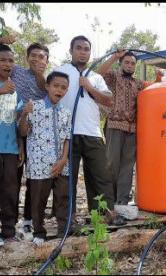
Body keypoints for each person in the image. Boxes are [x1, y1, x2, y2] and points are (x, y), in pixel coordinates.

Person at [54, 35, 124, 226]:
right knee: (68, 177)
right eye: (79, 48)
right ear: (71, 50)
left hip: (92, 132)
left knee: (101, 175)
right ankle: (69, 217)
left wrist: (90, 87)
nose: (83, 52)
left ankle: (104, 213)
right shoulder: (61, 71)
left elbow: (108, 100)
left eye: (86, 49)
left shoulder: (95, 77)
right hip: (67, 133)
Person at [0, 34, 50, 233]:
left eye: (41, 57)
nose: (37, 59)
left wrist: (40, 73)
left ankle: (20, 224)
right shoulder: (8, 75)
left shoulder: (46, 81)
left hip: (28, 137)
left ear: (46, 61)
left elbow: (44, 91)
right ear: (27, 57)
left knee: (23, 182)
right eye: (33, 55)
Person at [97, 50, 161, 210]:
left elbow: (154, 88)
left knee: (127, 167)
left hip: (133, 130)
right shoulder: (113, 77)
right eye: (127, 62)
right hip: (115, 127)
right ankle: (109, 203)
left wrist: (158, 79)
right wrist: (113, 57)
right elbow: (98, 74)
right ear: (121, 64)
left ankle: (122, 203)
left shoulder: (138, 83)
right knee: (112, 164)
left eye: (133, 63)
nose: (130, 65)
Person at [18, 71, 71, 246]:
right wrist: (25, 114)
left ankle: (64, 230)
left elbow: (67, 138)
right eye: (56, 86)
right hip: (39, 163)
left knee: (63, 197)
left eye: (64, 87)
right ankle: (39, 232)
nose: (60, 90)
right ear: (47, 86)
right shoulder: (35, 106)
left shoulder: (65, 112)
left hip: (61, 163)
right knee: (38, 199)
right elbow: (23, 132)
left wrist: (64, 159)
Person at [0, 44, 24, 249]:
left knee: (10, 190)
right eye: (3, 60)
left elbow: (18, 122)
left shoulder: (16, 89)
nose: (7, 64)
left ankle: (8, 230)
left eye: (11, 60)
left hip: (11, 149)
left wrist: (20, 146)